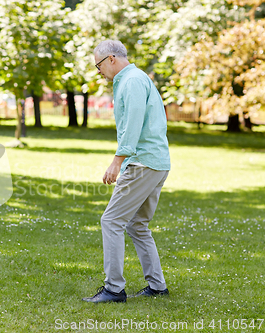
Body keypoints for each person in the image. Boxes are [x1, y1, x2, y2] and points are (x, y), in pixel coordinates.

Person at [82, 40, 171, 303]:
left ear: (110, 59)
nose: (98, 71)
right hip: (156, 162)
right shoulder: (133, 78)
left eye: (98, 65)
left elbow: (133, 123)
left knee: (112, 221)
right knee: (138, 224)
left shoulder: (131, 81)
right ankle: (157, 286)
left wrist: (117, 161)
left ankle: (114, 289)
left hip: (143, 163)